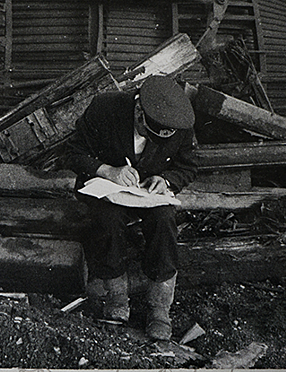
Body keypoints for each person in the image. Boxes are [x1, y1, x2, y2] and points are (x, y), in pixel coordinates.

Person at [65, 75, 197, 340]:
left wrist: (166, 180)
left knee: (164, 219)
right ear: (138, 111)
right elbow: (72, 152)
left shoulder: (179, 121)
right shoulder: (105, 107)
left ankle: (159, 307)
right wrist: (107, 171)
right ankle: (116, 296)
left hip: (147, 194)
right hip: (104, 190)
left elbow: (189, 166)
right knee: (108, 219)